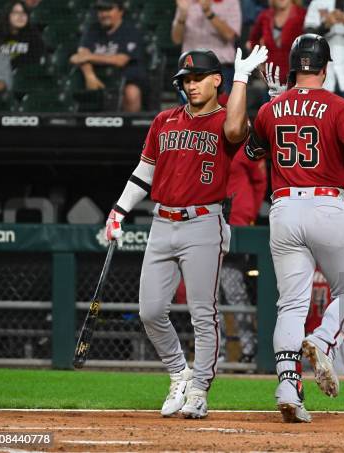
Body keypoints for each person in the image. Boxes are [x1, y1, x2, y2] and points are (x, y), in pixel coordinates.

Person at [246, 33, 344, 422]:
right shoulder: (339, 104)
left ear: (293, 66)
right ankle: (321, 340)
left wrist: (274, 104)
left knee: (291, 303)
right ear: (325, 66)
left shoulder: (271, 108)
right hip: (325, 204)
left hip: (283, 207)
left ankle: (287, 384)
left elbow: (253, 151)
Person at [104, 45, 268, 419]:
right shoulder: (164, 120)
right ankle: (179, 373)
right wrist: (118, 210)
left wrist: (240, 79)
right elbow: (144, 172)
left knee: (202, 313)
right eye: (186, 80)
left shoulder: (226, 118)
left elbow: (234, 130)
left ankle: (199, 391)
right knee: (150, 310)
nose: (191, 86)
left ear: (216, 81)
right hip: (162, 221)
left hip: (203, 222)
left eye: (198, 79)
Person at [218, 149, 268, 363]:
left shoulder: (248, 144)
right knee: (208, 296)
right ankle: (216, 351)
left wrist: (249, 215)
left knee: (233, 290)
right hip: (209, 220)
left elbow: (260, 182)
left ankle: (249, 347)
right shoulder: (210, 136)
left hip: (237, 221)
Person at [70, 0, 146, 112]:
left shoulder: (130, 31)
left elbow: (120, 60)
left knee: (132, 93)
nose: (104, 14)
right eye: (101, 10)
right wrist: (89, 75)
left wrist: (89, 57)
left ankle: (130, 129)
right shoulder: (92, 29)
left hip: (125, 78)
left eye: (109, 9)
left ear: (120, 11)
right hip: (97, 77)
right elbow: (80, 55)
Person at [171, 0, 242, 95]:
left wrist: (208, 12)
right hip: (190, 68)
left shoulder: (230, 2)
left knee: (222, 109)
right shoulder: (186, 2)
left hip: (220, 68)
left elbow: (230, 35)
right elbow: (176, 39)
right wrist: (182, 15)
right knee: (188, 109)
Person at [247, 0, 306, 82]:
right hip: (270, 82)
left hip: (296, 81)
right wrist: (260, 65)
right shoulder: (265, 16)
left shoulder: (303, 15)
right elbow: (253, 41)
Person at [0, 1, 45, 70]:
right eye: (16, 13)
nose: (21, 16)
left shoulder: (35, 37)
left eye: (24, 13)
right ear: (8, 15)